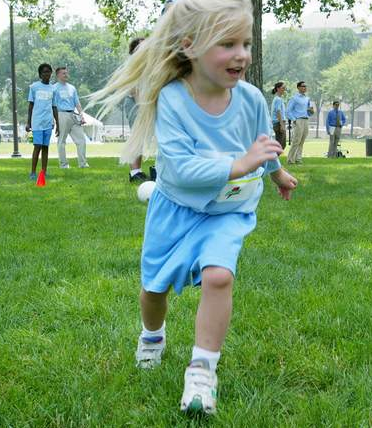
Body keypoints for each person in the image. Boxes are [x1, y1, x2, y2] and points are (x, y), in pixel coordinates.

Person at [90, 0, 298, 415]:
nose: (240, 54)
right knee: (154, 289)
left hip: (228, 212)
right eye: (227, 43)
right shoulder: (172, 99)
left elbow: (262, 144)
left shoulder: (253, 98)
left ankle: (202, 372)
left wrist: (275, 173)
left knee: (219, 277)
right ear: (190, 46)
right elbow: (182, 169)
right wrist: (239, 164)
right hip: (176, 208)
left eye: (245, 42)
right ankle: (152, 335)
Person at [26, 63, 59, 181]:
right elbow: (30, 105)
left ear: (51, 74)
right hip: (37, 122)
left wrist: (58, 124)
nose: (47, 74)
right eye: (44, 72)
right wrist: (28, 122)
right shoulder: (34, 87)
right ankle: (33, 173)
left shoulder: (53, 88)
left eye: (49, 72)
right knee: (37, 146)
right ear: (40, 74)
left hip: (48, 123)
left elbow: (54, 107)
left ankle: (44, 172)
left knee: (45, 147)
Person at [53, 67, 89, 168]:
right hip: (61, 114)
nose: (66, 75)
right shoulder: (54, 88)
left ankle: (83, 163)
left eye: (67, 73)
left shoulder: (72, 88)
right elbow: (53, 105)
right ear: (58, 75)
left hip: (73, 115)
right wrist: (54, 119)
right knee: (62, 141)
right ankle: (64, 164)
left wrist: (81, 114)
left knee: (81, 140)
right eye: (63, 73)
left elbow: (77, 103)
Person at [125, 37, 149, 183]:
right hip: (135, 103)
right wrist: (142, 106)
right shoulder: (133, 65)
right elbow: (134, 89)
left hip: (146, 103)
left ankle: (138, 171)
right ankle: (134, 172)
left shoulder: (148, 64)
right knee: (136, 137)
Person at [286, 81, 314, 164]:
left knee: (302, 141)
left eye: (305, 86)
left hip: (306, 120)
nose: (304, 87)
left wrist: (311, 111)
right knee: (296, 140)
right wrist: (294, 120)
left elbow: (309, 112)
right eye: (303, 86)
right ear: (298, 87)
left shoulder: (307, 98)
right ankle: (290, 160)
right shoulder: (294, 98)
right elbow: (288, 111)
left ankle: (298, 159)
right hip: (298, 120)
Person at [270, 82, 287, 150]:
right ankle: (271, 159)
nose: (284, 89)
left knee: (281, 144)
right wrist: (282, 124)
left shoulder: (278, 99)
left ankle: (273, 159)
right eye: (283, 88)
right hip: (278, 123)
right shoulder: (278, 99)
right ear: (278, 89)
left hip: (279, 123)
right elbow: (278, 112)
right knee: (280, 145)